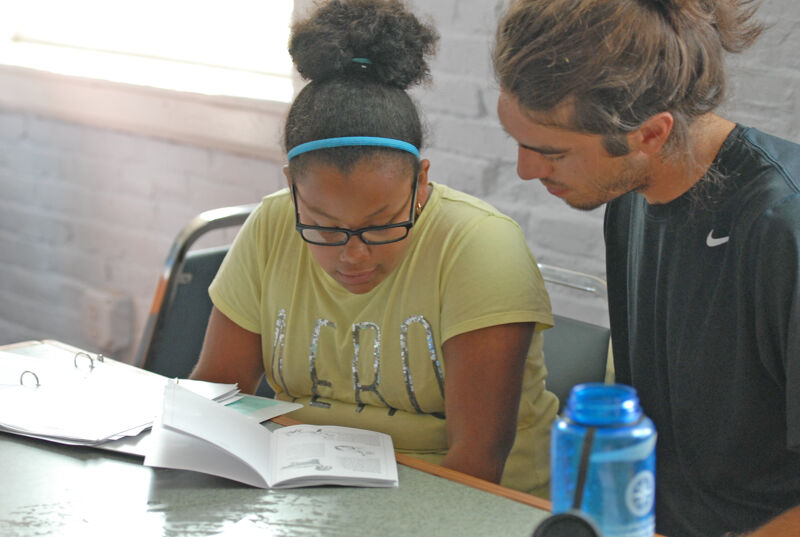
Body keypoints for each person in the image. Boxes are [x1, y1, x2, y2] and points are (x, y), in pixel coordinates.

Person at [190, 0, 557, 495]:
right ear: (292, 189)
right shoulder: (274, 223)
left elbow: (477, 465)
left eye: (382, 224)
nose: (354, 255)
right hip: (302, 498)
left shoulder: (479, 248)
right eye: (323, 226)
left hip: (464, 507)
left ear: (421, 182)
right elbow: (216, 394)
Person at [493, 0, 800, 535]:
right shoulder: (630, 197)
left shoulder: (782, 228)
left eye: (551, 152)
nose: (525, 170)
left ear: (652, 134)